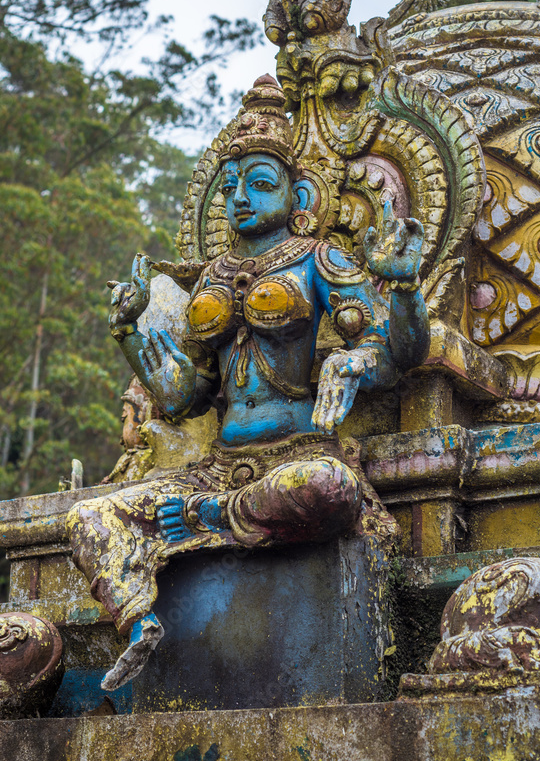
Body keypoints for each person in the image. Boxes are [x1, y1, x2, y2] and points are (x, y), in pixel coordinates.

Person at [66, 74, 429, 690]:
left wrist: (398, 293)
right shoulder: (209, 276)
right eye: (231, 187)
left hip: (296, 453)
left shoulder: (321, 260)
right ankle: (137, 622)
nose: (240, 198)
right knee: (87, 521)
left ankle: (205, 518)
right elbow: (183, 397)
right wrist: (130, 332)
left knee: (327, 488)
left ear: (299, 195)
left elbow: (394, 353)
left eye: (259, 183)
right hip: (217, 462)